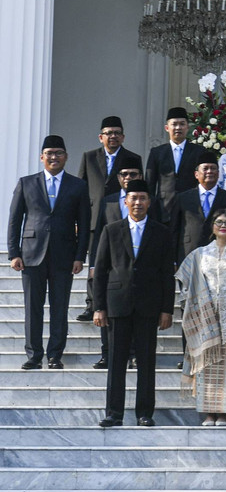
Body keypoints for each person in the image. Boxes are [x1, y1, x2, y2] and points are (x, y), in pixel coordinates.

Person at [93, 179, 175, 427]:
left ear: (149, 202)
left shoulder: (162, 232)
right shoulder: (112, 229)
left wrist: (166, 309)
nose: (138, 202)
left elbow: (166, 274)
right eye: (133, 198)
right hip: (118, 303)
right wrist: (98, 306)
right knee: (116, 361)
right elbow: (101, 271)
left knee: (147, 362)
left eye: (142, 198)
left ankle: (144, 413)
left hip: (149, 306)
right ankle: (113, 413)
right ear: (125, 202)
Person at [8, 134, 91, 370]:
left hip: (64, 255)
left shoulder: (78, 185)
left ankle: (55, 355)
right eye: (49, 153)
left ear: (66, 157)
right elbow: (15, 220)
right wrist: (14, 252)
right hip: (32, 255)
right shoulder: (26, 183)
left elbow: (84, 224)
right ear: (42, 157)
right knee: (32, 308)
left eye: (59, 153)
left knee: (59, 307)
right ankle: (34, 355)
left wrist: (79, 256)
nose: (54, 157)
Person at [175, 209, 226, 425]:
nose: (223, 225)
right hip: (205, 318)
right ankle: (209, 412)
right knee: (207, 367)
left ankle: (225, 413)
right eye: (219, 222)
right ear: (212, 227)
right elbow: (185, 282)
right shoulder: (200, 254)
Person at [76, 115, 139, 320]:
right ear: (100, 137)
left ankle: (119, 300)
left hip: (120, 216)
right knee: (95, 261)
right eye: (108, 133)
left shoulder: (132, 158)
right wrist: (78, 219)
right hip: (95, 218)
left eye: (117, 133)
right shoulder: (89, 157)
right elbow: (81, 188)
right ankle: (91, 303)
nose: (113, 136)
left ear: (123, 137)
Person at [88, 155, 144, 367]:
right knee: (106, 312)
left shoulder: (148, 201)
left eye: (133, 174)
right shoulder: (107, 201)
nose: (128, 178)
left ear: (140, 175)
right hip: (111, 267)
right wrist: (93, 263)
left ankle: (134, 354)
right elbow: (98, 235)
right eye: (124, 174)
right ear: (118, 177)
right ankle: (107, 353)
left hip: (137, 268)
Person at [173, 149, 226, 261]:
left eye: (213, 168)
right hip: (188, 253)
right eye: (205, 168)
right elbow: (174, 229)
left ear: (218, 174)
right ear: (196, 174)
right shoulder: (183, 198)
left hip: (220, 255)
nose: (209, 171)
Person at [145, 106, 206, 222]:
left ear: (187, 127)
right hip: (163, 209)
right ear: (167, 128)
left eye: (182, 124)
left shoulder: (199, 151)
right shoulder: (157, 152)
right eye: (174, 124)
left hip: (191, 208)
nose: (178, 128)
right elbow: (150, 184)